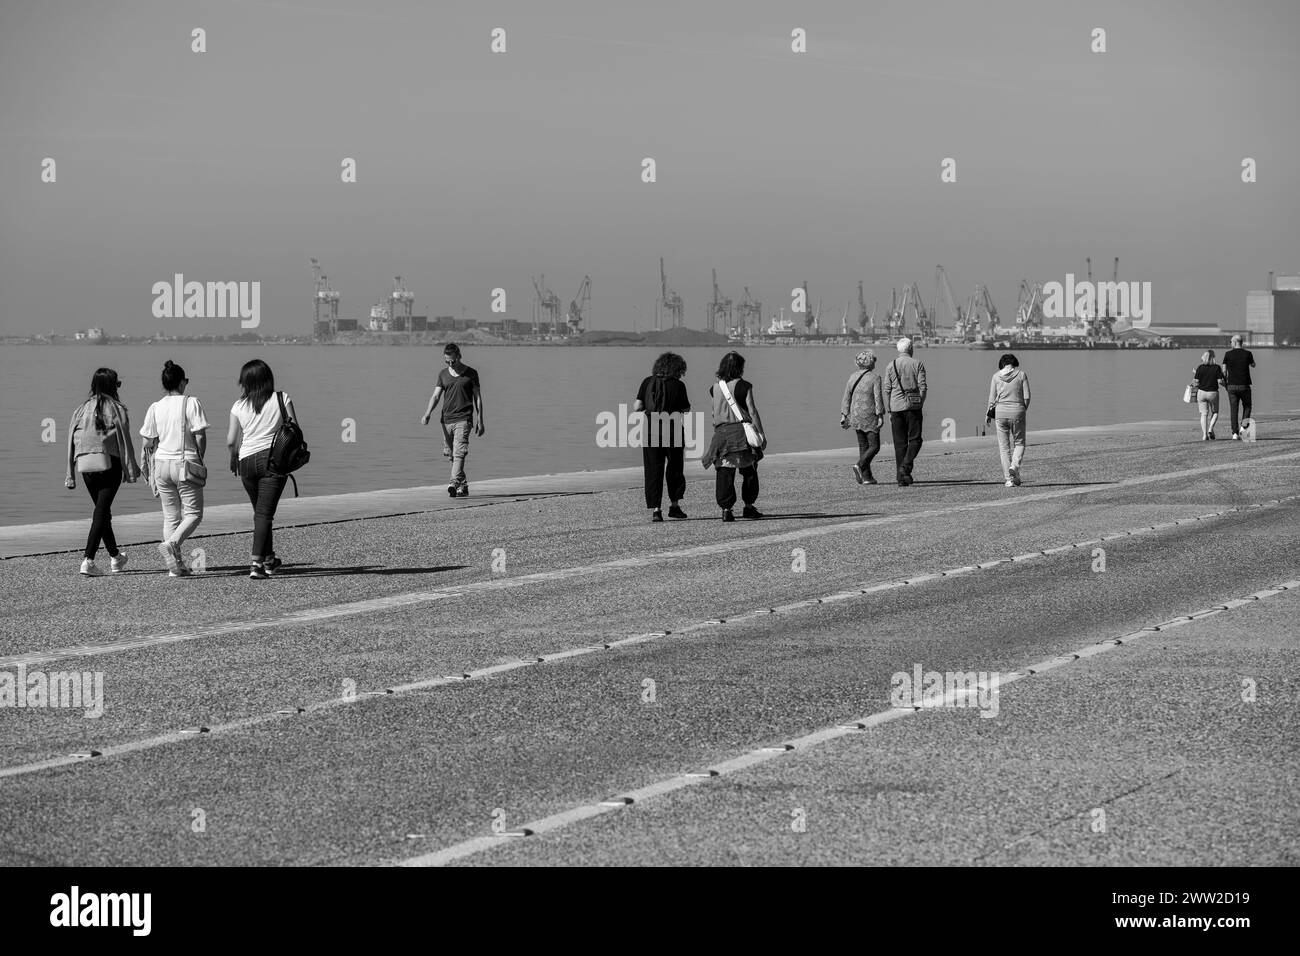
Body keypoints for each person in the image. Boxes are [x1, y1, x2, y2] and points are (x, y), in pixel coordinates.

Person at [64, 367, 141, 575]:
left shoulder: (80, 409)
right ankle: (88, 559)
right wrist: (131, 467)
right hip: (109, 464)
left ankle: (115, 557)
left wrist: (70, 472)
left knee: (102, 510)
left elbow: (70, 440)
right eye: (117, 384)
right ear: (112, 386)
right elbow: (125, 440)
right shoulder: (116, 408)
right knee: (100, 511)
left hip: (85, 465)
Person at [227, 359, 295, 579]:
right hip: (272, 462)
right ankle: (256, 564)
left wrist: (233, 458)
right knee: (264, 515)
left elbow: (230, 440)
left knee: (260, 513)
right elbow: (294, 429)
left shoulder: (239, 406)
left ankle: (269, 559)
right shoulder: (281, 398)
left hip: (246, 462)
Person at [140, 360, 208, 576]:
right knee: (194, 514)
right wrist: (199, 459)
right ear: (180, 382)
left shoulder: (155, 406)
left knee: (171, 517)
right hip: (184, 463)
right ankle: (173, 543)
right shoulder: (191, 402)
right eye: (185, 381)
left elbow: (147, 442)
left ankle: (175, 567)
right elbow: (200, 435)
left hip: (161, 465)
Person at [703, 351, 766, 522]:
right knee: (749, 471)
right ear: (740, 368)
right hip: (741, 435)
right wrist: (761, 434)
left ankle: (726, 509)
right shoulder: (744, 386)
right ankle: (748, 506)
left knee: (725, 473)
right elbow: (752, 410)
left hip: (722, 435)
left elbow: (713, 414)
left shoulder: (714, 388)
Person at [421, 343, 483, 497]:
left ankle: (453, 483)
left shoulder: (471, 374)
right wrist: (427, 413)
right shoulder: (443, 374)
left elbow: (478, 398)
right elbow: (436, 396)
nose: (450, 364)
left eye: (452, 361)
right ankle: (463, 485)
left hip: (464, 419)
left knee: (459, 452)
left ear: (459, 356)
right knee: (451, 455)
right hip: (446, 420)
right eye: (447, 361)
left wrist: (480, 419)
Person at [635, 352, 691, 522]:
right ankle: (674, 506)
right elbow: (686, 409)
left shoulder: (647, 382)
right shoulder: (678, 385)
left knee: (653, 470)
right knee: (674, 469)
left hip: (650, 433)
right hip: (673, 432)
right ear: (677, 368)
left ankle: (656, 510)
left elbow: (637, 406)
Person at [883, 337, 927, 486]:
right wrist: (920, 403)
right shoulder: (917, 364)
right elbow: (923, 387)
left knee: (899, 443)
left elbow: (887, 390)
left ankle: (901, 478)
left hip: (895, 407)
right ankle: (905, 467)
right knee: (915, 440)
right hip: (913, 407)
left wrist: (889, 410)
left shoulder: (890, 365)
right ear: (911, 349)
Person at [840, 350, 884, 485]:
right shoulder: (875, 377)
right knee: (874, 446)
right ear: (870, 362)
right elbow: (878, 398)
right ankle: (859, 465)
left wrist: (844, 414)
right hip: (869, 414)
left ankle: (867, 477)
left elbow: (846, 396)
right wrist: (880, 415)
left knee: (863, 446)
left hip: (855, 414)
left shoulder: (852, 376)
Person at [987, 353, 1031, 487]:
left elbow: (992, 398)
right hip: (1018, 412)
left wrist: (988, 414)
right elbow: (1027, 397)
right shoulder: (1021, 375)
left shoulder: (996, 376)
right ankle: (1015, 466)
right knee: (1019, 443)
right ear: (1015, 363)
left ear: (1002, 364)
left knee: (1004, 448)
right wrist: (1022, 410)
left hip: (1000, 414)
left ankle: (1009, 479)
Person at [1222, 334, 1256, 440]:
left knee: (1234, 409)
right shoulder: (1248, 353)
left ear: (1235, 342)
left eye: (1231, 342)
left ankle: (1234, 433)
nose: (1230, 343)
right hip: (1244, 385)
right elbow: (1253, 365)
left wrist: (1225, 381)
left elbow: (1223, 370)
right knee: (1247, 406)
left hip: (1231, 386)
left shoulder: (1227, 354)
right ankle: (1243, 427)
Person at [1191, 350, 1225, 441]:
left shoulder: (1200, 368)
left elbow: (1196, 382)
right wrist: (1226, 385)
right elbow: (1220, 381)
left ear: (1203, 357)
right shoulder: (1217, 367)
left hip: (1201, 393)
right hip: (1213, 393)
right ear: (1213, 358)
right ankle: (1210, 429)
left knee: (1204, 414)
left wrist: (1196, 374)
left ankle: (1204, 435)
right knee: (1215, 412)